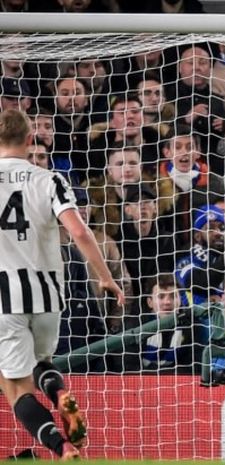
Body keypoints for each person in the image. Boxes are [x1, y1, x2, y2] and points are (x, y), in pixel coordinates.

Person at [0, 109, 124, 459]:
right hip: (49, 292)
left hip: (3, 297)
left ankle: (63, 447)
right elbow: (80, 231)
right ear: (29, 140)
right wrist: (105, 276)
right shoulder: (50, 178)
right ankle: (58, 394)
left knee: (15, 385)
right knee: (42, 360)